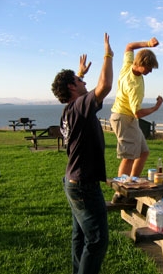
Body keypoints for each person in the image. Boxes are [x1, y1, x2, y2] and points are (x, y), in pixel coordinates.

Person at [51, 33, 113, 274]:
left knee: (80, 236)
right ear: (71, 87)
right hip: (83, 185)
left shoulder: (70, 110)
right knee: (97, 240)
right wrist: (108, 53)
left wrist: (80, 74)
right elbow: (105, 86)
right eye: (79, 80)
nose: (83, 81)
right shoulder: (78, 107)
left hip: (73, 181)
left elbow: (78, 88)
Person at [110, 37, 163, 184]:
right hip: (124, 118)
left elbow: (129, 46)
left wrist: (147, 44)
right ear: (140, 64)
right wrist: (155, 107)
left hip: (125, 118)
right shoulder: (135, 86)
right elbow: (138, 113)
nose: (151, 71)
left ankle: (132, 182)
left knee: (143, 152)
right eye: (149, 68)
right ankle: (121, 191)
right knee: (129, 156)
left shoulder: (128, 66)